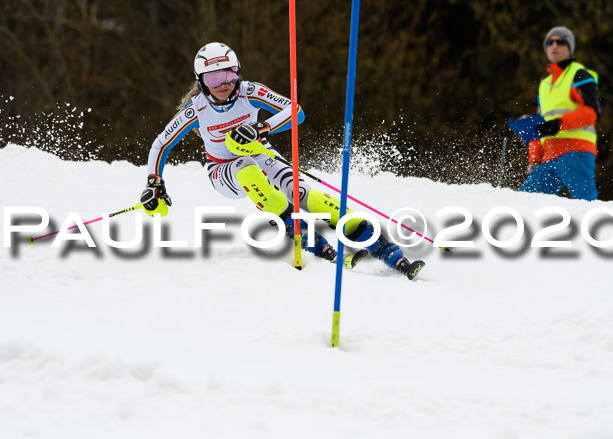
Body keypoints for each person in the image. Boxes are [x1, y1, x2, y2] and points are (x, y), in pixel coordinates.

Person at [138, 42, 424, 278]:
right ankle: (303, 234)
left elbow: (295, 111)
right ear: (202, 82)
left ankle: (384, 248)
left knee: (305, 195)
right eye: (214, 79)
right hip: (223, 170)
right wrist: (155, 183)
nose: (224, 84)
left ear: (238, 72)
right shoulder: (196, 109)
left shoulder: (249, 91)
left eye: (229, 75)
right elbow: (161, 143)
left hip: (260, 152)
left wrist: (260, 128)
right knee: (247, 170)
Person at [519, 26, 600, 200]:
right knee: (524, 202)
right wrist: (534, 157)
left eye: (560, 42)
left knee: (585, 206)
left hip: (576, 152)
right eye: (550, 42)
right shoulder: (545, 84)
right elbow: (540, 125)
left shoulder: (579, 75)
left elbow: (591, 113)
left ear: (569, 48)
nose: (554, 46)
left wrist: (559, 124)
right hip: (548, 158)